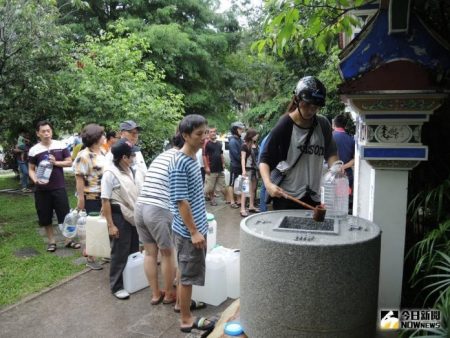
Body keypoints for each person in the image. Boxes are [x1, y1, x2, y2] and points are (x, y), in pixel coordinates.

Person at [259, 76, 338, 210]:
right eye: (306, 104)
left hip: (315, 198)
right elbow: (264, 159)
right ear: (297, 99)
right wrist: (268, 184)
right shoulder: (284, 125)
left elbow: (331, 153)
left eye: (315, 106)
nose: (310, 110)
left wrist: (336, 172)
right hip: (287, 197)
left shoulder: (323, 124)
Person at [169, 114, 215, 333]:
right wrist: (194, 231)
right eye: (199, 134)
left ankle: (182, 305)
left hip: (194, 227)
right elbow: (181, 201)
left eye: (205, 132)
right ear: (185, 135)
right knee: (187, 277)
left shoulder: (193, 158)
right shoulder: (180, 163)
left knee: (184, 271)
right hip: (188, 232)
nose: (203, 137)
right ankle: (186, 319)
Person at [134, 133, 184, 306]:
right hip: (157, 209)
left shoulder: (162, 156)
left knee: (149, 253)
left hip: (140, 206)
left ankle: (156, 294)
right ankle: (170, 294)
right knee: (167, 253)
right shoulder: (181, 158)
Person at [28, 120, 80, 252]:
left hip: (59, 187)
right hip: (42, 190)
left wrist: (55, 162)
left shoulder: (60, 145)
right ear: (38, 133)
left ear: (51, 131)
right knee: (45, 217)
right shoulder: (34, 150)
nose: (46, 133)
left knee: (65, 215)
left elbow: (69, 163)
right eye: (43, 131)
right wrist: (36, 181)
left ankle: (68, 240)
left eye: (48, 131)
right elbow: (31, 169)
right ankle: (52, 242)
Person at [101, 138, 140, 300]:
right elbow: (105, 200)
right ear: (124, 158)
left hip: (132, 215)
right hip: (118, 215)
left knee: (133, 249)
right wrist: (111, 225)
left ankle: (132, 281)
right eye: (132, 155)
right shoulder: (110, 174)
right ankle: (116, 286)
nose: (135, 157)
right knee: (119, 251)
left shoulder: (130, 170)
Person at [73, 123, 106, 270]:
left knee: (102, 226)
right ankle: (91, 258)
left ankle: (103, 252)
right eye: (102, 135)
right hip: (91, 197)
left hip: (104, 195)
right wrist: (81, 199)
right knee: (93, 228)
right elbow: (79, 179)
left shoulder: (103, 152)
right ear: (95, 138)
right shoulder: (83, 155)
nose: (104, 137)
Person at [106, 120, 147, 192]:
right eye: (131, 132)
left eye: (137, 133)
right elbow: (108, 179)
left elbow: (144, 174)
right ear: (121, 133)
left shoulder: (138, 152)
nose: (135, 135)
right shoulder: (114, 153)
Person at [203, 127, 226, 206]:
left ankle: (228, 199)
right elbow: (204, 156)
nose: (213, 133)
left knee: (222, 185)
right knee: (210, 187)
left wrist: (223, 163)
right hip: (211, 168)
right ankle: (212, 199)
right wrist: (206, 167)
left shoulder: (219, 143)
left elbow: (221, 154)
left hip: (219, 168)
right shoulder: (206, 143)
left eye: (214, 132)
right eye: (211, 132)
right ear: (208, 134)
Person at [240, 129, 260, 217]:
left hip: (255, 170)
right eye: (256, 135)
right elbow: (243, 158)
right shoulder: (244, 146)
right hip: (248, 170)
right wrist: (243, 170)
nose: (257, 136)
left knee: (253, 189)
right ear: (251, 136)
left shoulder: (256, 145)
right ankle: (242, 209)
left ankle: (251, 206)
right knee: (245, 190)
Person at [332, 114, 355, 191]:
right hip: (347, 175)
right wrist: (343, 167)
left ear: (334, 124)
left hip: (330, 175)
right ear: (345, 125)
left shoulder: (329, 137)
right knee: (345, 200)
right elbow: (355, 160)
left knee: (329, 199)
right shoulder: (352, 139)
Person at [228, 121, 245, 209]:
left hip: (241, 166)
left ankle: (239, 200)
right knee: (232, 183)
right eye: (239, 129)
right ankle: (232, 201)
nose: (241, 130)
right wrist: (243, 159)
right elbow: (237, 156)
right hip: (235, 166)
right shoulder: (233, 141)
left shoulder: (241, 140)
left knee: (240, 183)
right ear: (235, 130)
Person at [257, 133, 270, 212]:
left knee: (264, 187)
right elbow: (262, 155)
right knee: (265, 187)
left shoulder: (266, 138)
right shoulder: (270, 138)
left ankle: (263, 208)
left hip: (264, 165)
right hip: (267, 166)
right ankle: (263, 208)